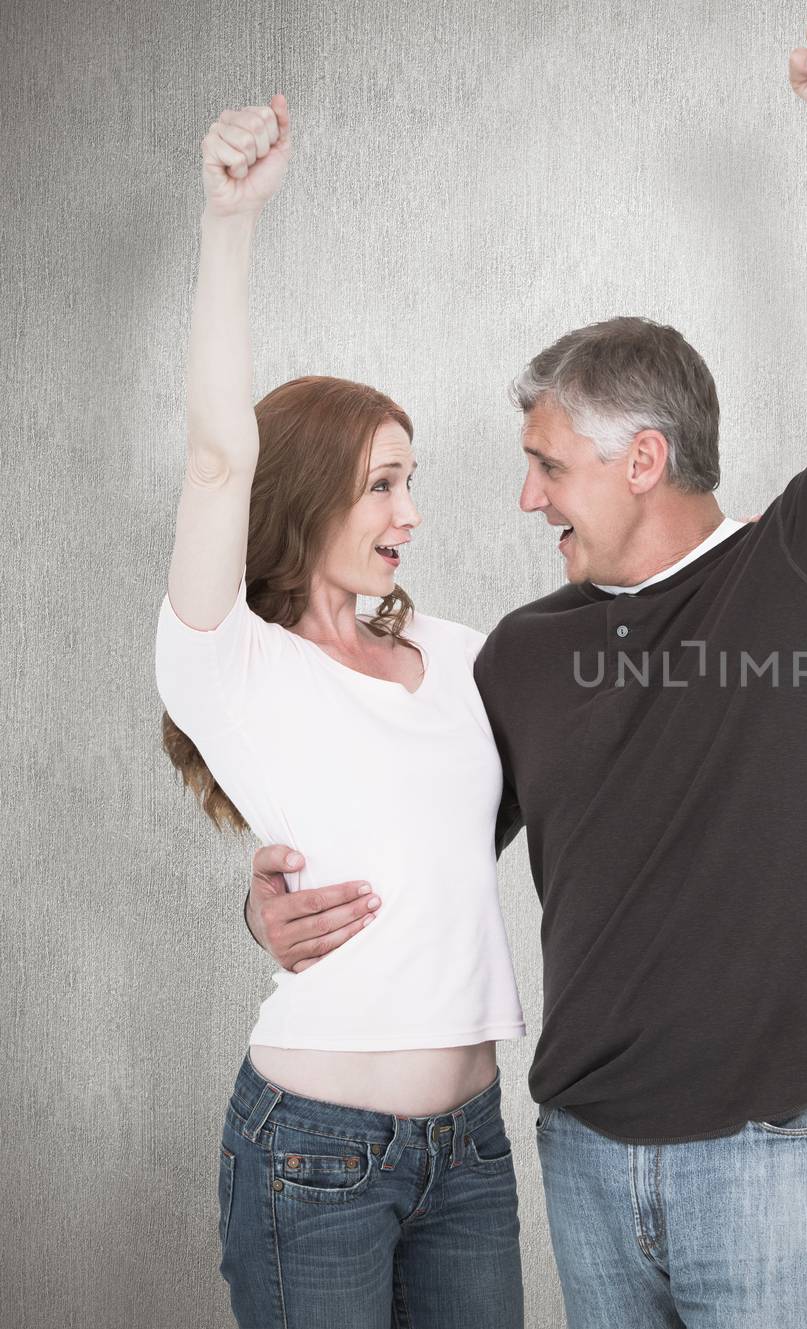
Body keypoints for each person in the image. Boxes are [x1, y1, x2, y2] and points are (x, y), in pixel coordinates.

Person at [244, 18, 807, 1326]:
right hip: (580, 1162)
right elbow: (422, 837)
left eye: (549, 463)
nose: (523, 495)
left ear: (643, 459)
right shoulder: (524, 652)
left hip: (773, 1166)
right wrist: (272, 912)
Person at [155, 94, 527, 1327]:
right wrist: (228, 223)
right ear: (307, 493)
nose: (410, 513)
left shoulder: (465, 656)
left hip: (473, 1152)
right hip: (314, 1155)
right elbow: (217, 454)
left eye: (411, 481)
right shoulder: (233, 667)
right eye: (381, 484)